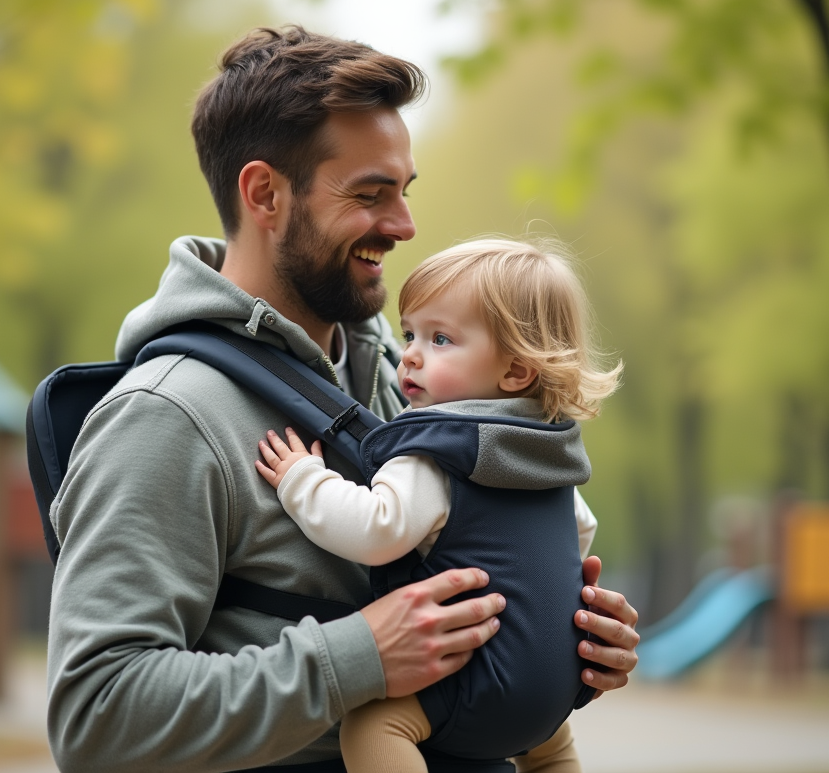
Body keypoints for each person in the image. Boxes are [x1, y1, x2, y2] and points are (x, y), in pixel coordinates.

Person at [46, 26, 639, 773]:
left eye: (404, 191)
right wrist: (356, 657)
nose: (404, 225)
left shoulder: (410, 375)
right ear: (265, 193)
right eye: (370, 194)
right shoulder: (169, 416)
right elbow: (95, 716)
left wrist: (561, 645)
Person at [254, 239, 620, 773]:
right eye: (410, 334)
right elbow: (580, 534)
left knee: (373, 725)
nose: (411, 354)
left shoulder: (437, 452)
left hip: (477, 678)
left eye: (441, 339)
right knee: (550, 750)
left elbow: (376, 528)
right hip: (552, 689)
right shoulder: (547, 457)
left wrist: (302, 479)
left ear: (516, 371)